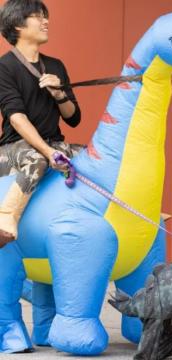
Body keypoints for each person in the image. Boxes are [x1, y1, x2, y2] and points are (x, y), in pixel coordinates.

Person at [0, 0, 82, 247]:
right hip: (13, 150)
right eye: (38, 16)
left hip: (53, 143)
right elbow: (16, 117)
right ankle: (5, 219)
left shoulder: (56, 65)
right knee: (37, 158)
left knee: (93, 157)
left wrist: (59, 94)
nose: (46, 22)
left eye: (45, 16)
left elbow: (74, 117)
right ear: (17, 25)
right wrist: (48, 153)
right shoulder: (4, 67)